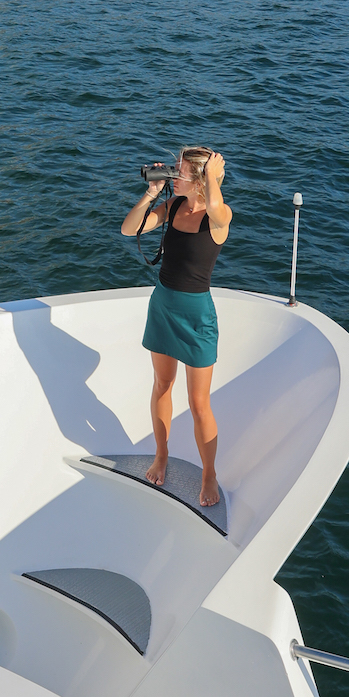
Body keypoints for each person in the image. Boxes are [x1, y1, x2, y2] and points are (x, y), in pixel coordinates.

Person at [120, 147, 231, 508]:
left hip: (196, 315)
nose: (172, 175)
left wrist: (212, 178)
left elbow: (215, 208)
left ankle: (209, 472)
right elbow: (128, 228)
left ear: (200, 179)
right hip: (164, 305)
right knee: (162, 385)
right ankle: (161, 455)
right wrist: (152, 194)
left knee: (199, 403)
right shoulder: (171, 208)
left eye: (179, 171)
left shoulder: (219, 217)